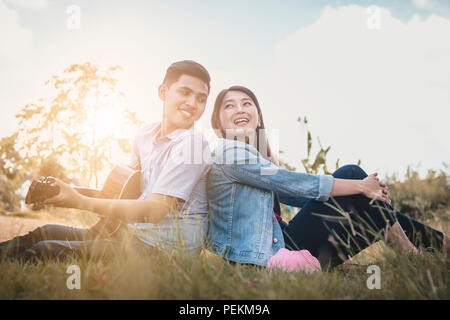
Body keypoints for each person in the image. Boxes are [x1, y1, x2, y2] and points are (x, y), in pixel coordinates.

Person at [206, 85, 448, 269]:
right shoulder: (229, 151)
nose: (239, 109)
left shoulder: (254, 157)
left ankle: (439, 246)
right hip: (271, 253)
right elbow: (291, 183)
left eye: (247, 103)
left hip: (282, 247)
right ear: (218, 120)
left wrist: (356, 192)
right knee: (351, 173)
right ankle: (415, 255)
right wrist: (359, 185)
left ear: (257, 114)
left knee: (369, 215)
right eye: (229, 105)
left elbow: (294, 194)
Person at [0, 60, 212, 263]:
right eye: (185, 92)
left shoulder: (192, 145)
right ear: (163, 92)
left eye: (201, 98)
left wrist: (78, 201)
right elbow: (126, 192)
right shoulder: (145, 134)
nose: (193, 104)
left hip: (165, 250)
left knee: (46, 250)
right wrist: (67, 192)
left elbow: (155, 210)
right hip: (131, 233)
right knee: (44, 232)